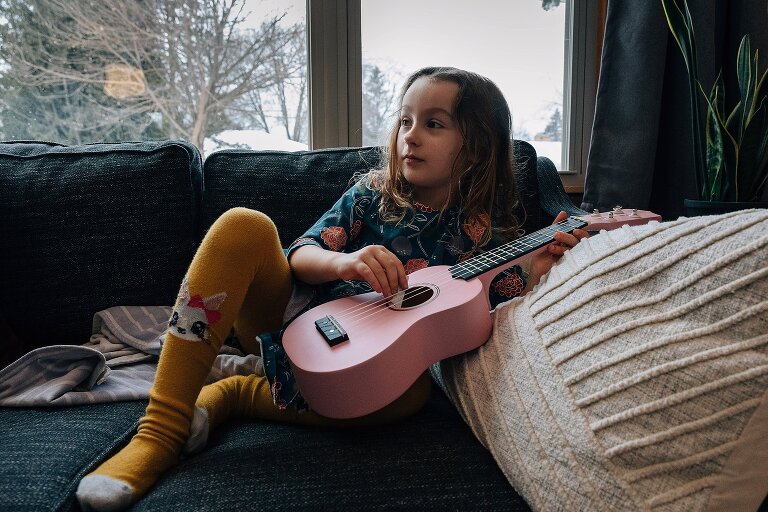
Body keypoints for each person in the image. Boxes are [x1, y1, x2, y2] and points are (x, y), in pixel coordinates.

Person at [76, 66, 588, 511]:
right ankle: (161, 431)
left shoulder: (489, 232)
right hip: (288, 320)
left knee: (408, 394)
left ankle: (236, 395)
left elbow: (486, 305)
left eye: (433, 124)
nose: (410, 136)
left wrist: (538, 266)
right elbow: (301, 255)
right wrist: (346, 261)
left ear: (479, 148)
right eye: (405, 121)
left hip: (360, 360)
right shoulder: (373, 195)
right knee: (243, 224)